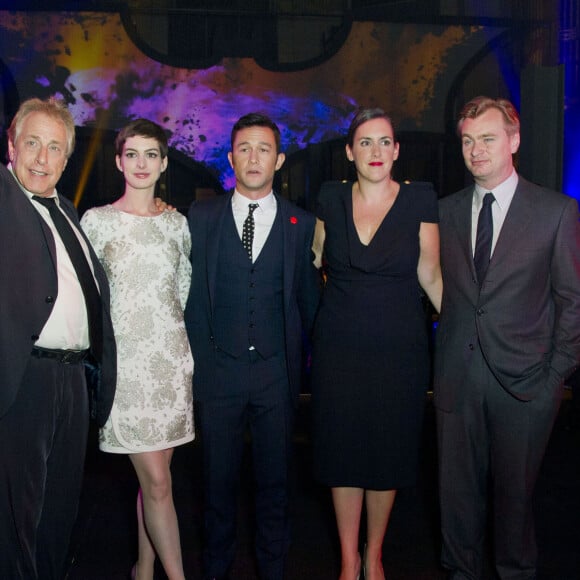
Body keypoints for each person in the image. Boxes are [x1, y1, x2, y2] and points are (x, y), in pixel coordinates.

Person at [434, 96, 580, 579]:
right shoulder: (446, 212)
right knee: (457, 506)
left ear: (514, 141)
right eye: (468, 141)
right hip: (457, 379)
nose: (476, 150)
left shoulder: (555, 212)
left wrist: (553, 378)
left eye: (488, 139)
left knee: (514, 510)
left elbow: (573, 301)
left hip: (527, 385)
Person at [184, 112, 320, 580]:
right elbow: (190, 301)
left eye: (264, 148)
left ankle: (273, 571)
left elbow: (309, 302)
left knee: (275, 488)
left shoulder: (302, 223)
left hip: (274, 376)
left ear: (279, 159)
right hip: (217, 375)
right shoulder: (200, 217)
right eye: (244, 148)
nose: (254, 157)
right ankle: (216, 570)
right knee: (216, 487)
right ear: (231, 158)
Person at [310, 107, 442, 580]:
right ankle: (348, 560)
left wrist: (470, 333)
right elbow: (317, 261)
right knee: (342, 450)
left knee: (389, 450)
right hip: (339, 348)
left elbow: (430, 275)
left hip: (400, 349)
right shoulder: (329, 198)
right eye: (365, 142)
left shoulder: (421, 200)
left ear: (397, 150)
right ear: (349, 153)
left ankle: (375, 554)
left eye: (384, 141)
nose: (376, 151)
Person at [0, 97, 117, 579]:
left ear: (68, 160)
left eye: (55, 148)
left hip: (72, 382)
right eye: (32, 144)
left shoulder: (67, 211)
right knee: (15, 521)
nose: (42, 159)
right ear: (11, 145)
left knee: (57, 514)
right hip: (22, 377)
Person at [81, 119, 194, 580]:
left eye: (152, 154)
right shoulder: (97, 221)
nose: (142, 163)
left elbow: (180, 293)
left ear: (164, 163)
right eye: (133, 154)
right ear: (118, 161)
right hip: (127, 372)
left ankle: (143, 570)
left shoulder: (176, 223)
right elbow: (87, 297)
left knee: (153, 486)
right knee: (160, 483)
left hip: (171, 368)